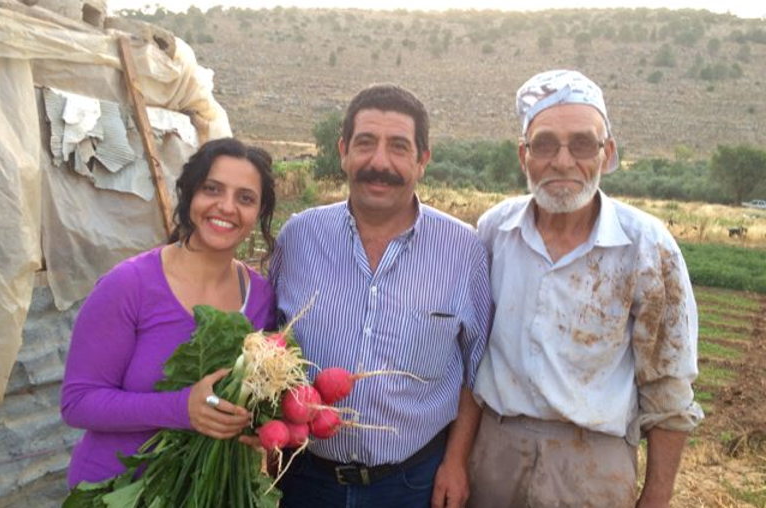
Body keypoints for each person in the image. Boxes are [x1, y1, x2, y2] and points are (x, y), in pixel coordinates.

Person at [467, 69, 704, 508]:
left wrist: (656, 497)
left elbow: (669, 386)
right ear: (523, 156)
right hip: (495, 453)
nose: (562, 161)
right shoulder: (493, 231)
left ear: (607, 153)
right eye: (544, 144)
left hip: (594, 466)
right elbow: (468, 352)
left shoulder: (647, 247)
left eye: (581, 144)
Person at [269, 84, 493, 508]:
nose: (379, 163)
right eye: (366, 143)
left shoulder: (464, 250)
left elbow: (474, 370)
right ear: (343, 151)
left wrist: (457, 462)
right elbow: (271, 343)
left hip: (412, 482)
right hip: (306, 478)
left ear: (422, 159)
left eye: (398, 147)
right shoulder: (298, 237)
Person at [60, 138, 277, 487]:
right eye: (212, 189)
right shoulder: (129, 284)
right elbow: (78, 402)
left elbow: (253, 396)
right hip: (116, 488)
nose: (226, 207)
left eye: (245, 198)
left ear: (259, 213)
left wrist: (258, 429)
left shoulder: (260, 297)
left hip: (206, 491)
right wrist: (181, 409)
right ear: (190, 194)